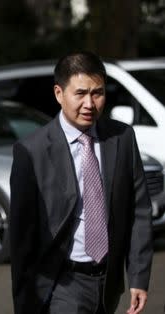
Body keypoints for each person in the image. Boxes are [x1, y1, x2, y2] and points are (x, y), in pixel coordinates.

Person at [9, 51, 153, 314]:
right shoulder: (32, 151)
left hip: (109, 283)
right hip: (62, 283)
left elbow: (139, 210)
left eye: (97, 93)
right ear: (58, 93)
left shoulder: (121, 138)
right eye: (81, 93)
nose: (90, 103)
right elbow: (21, 238)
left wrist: (139, 278)